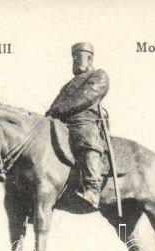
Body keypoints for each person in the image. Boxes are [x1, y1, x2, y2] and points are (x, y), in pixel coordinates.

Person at [45, 42, 109, 210]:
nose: (74, 60)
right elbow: (56, 104)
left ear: (90, 58)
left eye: (78, 57)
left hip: (83, 119)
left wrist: (60, 109)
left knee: (85, 138)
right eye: (73, 58)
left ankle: (92, 188)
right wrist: (50, 113)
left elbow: (86, 97)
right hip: (62, 121)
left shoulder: (99, 75)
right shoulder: (67, 86)